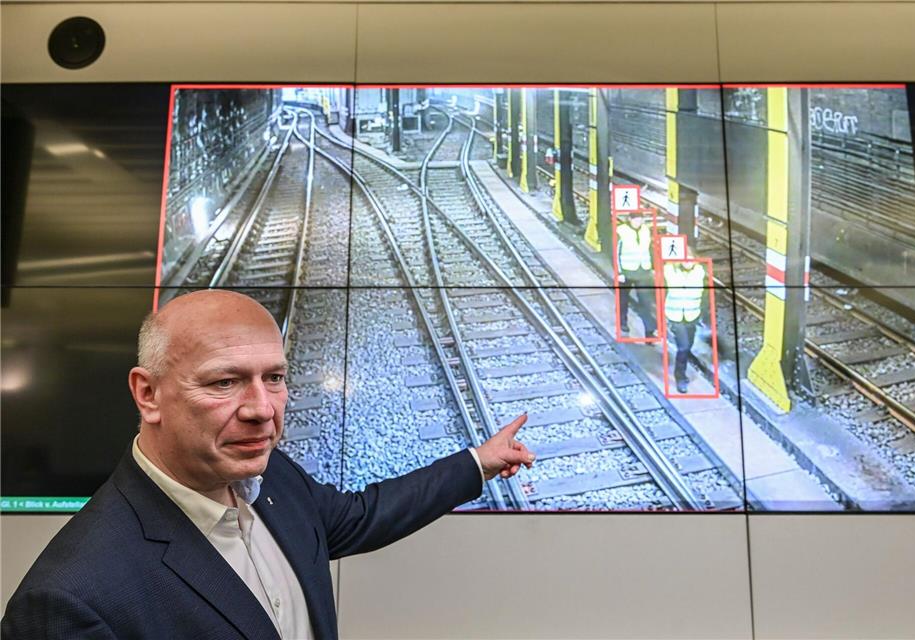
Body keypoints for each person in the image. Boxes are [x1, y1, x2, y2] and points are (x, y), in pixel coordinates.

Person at [1, 290, 536, 640]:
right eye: (224, 382)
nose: (262, 410)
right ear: (148, 395)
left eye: (274, 378)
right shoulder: (70, 601)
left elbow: (358, 516)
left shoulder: (267, 475)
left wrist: (478, 464)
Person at [663, 253, 707, 393]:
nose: (687, 262)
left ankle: (681, 373)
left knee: (688, 346)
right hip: (675, 316)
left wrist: (702, 313)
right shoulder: (670, 271)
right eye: (684, 258)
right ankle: (680, 377)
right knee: (683, 347)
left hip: (692, 315)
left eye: (690, 259)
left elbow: (704, 295)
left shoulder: (699, 273)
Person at [615, 211, 657, 337]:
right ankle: (622, 321)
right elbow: (616, 253)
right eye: (636, 220)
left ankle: (649, 332)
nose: (638, 222)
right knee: (623, 299)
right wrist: (619, 272)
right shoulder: (621, 231)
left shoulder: (645, 230)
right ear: (630, 219)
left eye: (640, 219)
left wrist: (652, 267)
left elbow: (650, 249)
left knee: (645, 301)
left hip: (643, 271)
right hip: (627, 271)